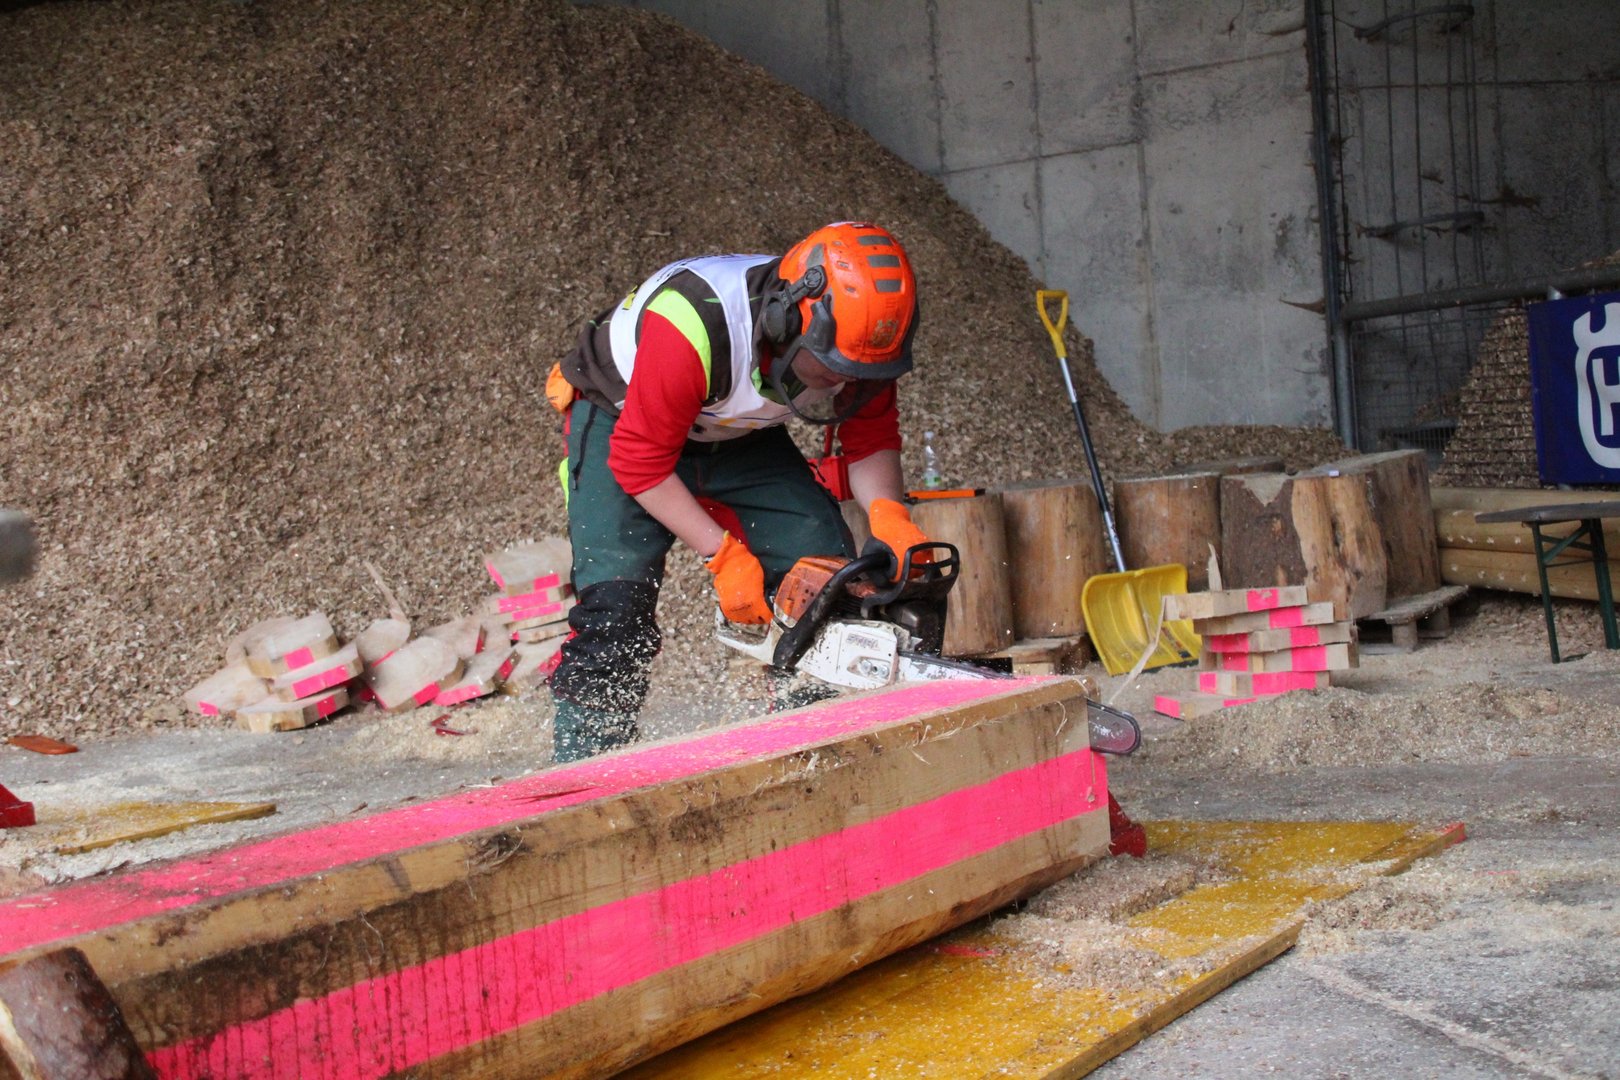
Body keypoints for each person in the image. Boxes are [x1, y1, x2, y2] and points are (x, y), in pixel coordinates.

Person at [543, 221, 933, 763]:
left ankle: (812, 748)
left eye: (854, 373)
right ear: (786, 320)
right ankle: (587, 767)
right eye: (829, 370)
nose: (844, 385)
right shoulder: (694, 324)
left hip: (732, 431)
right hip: (624, 420)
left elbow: (871, 439)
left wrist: (889, 515)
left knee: (823, 581)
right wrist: (722, 556)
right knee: (616, 610)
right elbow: (639, 462)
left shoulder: (861, 335)